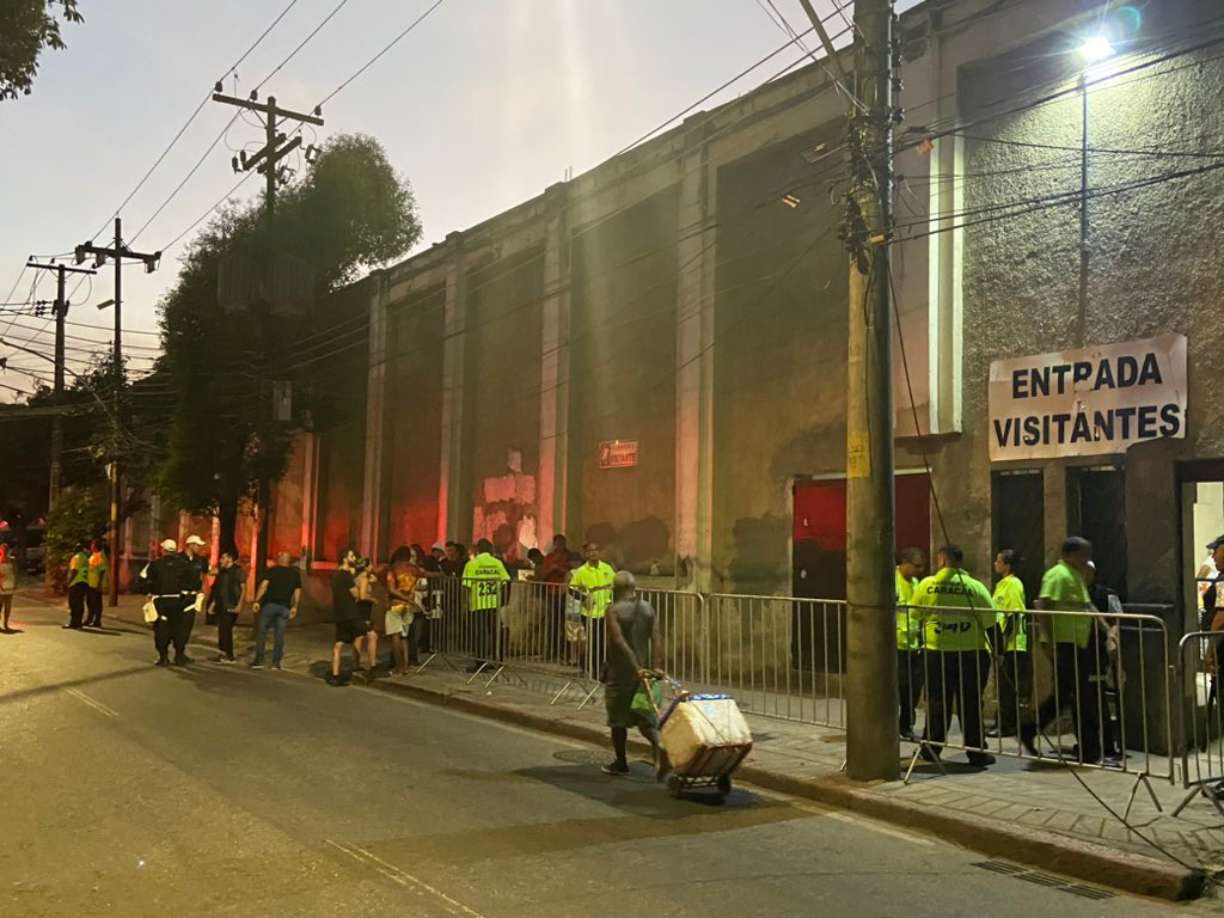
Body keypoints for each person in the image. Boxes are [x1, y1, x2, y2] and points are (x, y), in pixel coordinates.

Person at [911, 544, 997, 766]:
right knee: (971, 704)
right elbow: (991, 624)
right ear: (960, 562)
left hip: (936, 654)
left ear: (941, 561)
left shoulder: (927, 585)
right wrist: (999, 652)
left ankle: (931, 748)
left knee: (937, 702)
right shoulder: (975, 588)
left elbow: (914, 615)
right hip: (971, 655)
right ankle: (976, 752)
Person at [1021, 537, 1102, 764]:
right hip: (1065, 644)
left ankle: (1030, 728)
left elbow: (1087, 606)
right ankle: (1089, 749)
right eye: (1084, 554)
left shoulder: (1076, 575)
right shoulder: (1057, 575)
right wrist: (1049, 640)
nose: (1087, 559)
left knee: (1068, 695)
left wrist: (1107, 628)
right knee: (1077, 696)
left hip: (1079, 643)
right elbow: (1043, 607)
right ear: (1070, 554)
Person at [601, 570, 666, 778]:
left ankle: (621, 763)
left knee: (618, 721)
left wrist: (634, 666)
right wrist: (655, 667)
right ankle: (660, 749)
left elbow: (619, 642)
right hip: (645, 674)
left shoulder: (613, 611)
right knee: (645, 718)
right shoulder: (647, 608)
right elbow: (657, 638)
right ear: (633, 588)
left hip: (620, 673)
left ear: (614, 590)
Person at [1085, 560, 1124, 762]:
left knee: (1099, 698)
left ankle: (1107, 744)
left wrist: (1112, 639)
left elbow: (1116, 619)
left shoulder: (1106, 594)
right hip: (1083, 649)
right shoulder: (1075, 595)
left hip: (1097, 651)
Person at [989, 549, 1029, 738]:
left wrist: (1003, 644)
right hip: (1004, 643)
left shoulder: (1013, 584)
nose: (995, 564)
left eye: (998, 561)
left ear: (1007, 565)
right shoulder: (1002, 584)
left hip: (1012, 644)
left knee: (1007, 687)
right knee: (1004, 686)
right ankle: (1004, 723)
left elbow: (1013, 615)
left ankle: (1006, 725)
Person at [142, 539, 192, 666]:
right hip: (178, 600)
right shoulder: (183, 564)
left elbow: (145, 580)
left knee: (161, 629)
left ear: (163, 550)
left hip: (161, 600)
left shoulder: (155, 564)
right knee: (178, 628)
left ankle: (163, 657)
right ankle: (179, 656)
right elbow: (191, 582)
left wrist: (148, 593)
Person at [569, 542, 616, 677]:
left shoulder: (607, 568)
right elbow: (572, 589)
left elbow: (615, 586)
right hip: (590, 613)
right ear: (586, 554)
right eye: (590, 551)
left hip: (606, 612)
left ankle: (603, 670)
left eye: (595, 550)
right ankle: (593, 670)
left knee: (606, 642)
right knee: (594, 642)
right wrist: (584, 598)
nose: (593, 553)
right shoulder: (581, 571)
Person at [462, 539, 510, 671]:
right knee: (495, 632)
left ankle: (480, 663)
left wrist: (465, 603)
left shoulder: (471, 564)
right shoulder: (497, 563)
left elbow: (466, 586)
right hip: (494, 603)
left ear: (477, 550)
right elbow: (506, 581)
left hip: (478, 603)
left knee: (480, 634)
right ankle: (498, 660)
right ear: (490, 549)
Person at [895, 546, 927, 740]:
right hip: (895, 645)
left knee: (914, 687)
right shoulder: (891, 581)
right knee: (899, 687)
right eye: (916, 566)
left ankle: (906, 725)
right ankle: (892, 724)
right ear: (905, 563)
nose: (920, 570)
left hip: (914, 644)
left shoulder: (916, 583)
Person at [251, 550, 302, 670]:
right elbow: (297, 591)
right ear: (288, 561)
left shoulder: (272, 571)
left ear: (279, 559)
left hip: (270, 605)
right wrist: (295, 606)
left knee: (262, 632)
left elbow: (264, 586)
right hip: (284, 607)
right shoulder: (294, 574)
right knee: (279, 635)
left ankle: (259, 660)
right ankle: (276, 662)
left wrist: (257, 600)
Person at [330, 548, 368, 686]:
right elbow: (356, 594)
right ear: (345, 559)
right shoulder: (346, 576)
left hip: (339, 613)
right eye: (351, 556)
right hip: (350, 613)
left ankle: (335, 674)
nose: (354, 558)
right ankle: (356, 666)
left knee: (339, 644)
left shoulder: (334, 575)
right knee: (365, 631)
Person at [385, 546, 420, 675]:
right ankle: (405, 665)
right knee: (404, 637)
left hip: (396, 605)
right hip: (408, 606)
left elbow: (391, 589)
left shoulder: (393, 569)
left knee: (395, 636)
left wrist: (403, 597)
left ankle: (398, 666)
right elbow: (427, 573)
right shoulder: (413, 569)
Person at [207, 548, 245, 663]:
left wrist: (239, 605)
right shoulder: (221, 572)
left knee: (226, 630)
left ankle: (229, 655)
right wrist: (213, 604)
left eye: (223, 558)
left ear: (230, 559)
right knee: (222, 630)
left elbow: (244, 589)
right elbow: (217, 589)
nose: (221, 560)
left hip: (231, 604)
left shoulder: (238, 571)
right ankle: (223, 653)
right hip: (221, 605)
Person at [179, 534, 210, 662]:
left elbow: (206, 574)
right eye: (197, 545)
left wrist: (204, 591)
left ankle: (181, 652)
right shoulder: (179, 559)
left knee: (187, 625)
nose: (199, 548)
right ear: (190, 545)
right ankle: (176, 651)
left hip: (192, 596)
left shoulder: (200, 560)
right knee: (177, 625)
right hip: (179, 595)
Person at [354, 557, 380, 674]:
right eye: (370, 565)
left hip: (359, 610)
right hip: (362, 609)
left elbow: (375, 579)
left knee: (359, 636)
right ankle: (372, 664)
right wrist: (373, 599)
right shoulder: (363, 579)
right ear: (366, 566)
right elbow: (363, 596)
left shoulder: (358, 577)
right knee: (372, 636)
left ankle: (356, 663)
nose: (372, 568)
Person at [82, 541, 109, 628]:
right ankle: (89, 619)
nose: (91, 546)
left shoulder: (100, 556)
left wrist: (99, 583)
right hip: (90, 582)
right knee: (89, 602)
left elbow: (102, 570)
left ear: (96, 547)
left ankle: (97, 620)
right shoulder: (93, 555)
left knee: (96, 603)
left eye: (92, 545)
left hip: (95, 583)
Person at [64, 542, 90, 629]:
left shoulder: (76, 558)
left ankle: (74, 622)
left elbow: (74, 570)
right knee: (80, 603)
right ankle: (78, 623)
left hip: (75, 583)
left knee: (73, 603)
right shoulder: (85, 558)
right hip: (84, 582)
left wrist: (69, 581)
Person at [0, 544, 15, 632]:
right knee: (0, 605)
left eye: (6, 549)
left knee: (8, 605)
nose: (4, 551)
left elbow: (14, 571)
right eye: (2, 549)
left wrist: (15, 582)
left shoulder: (12, 560)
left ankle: (6, 623)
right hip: (1, 584)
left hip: (9, 583)